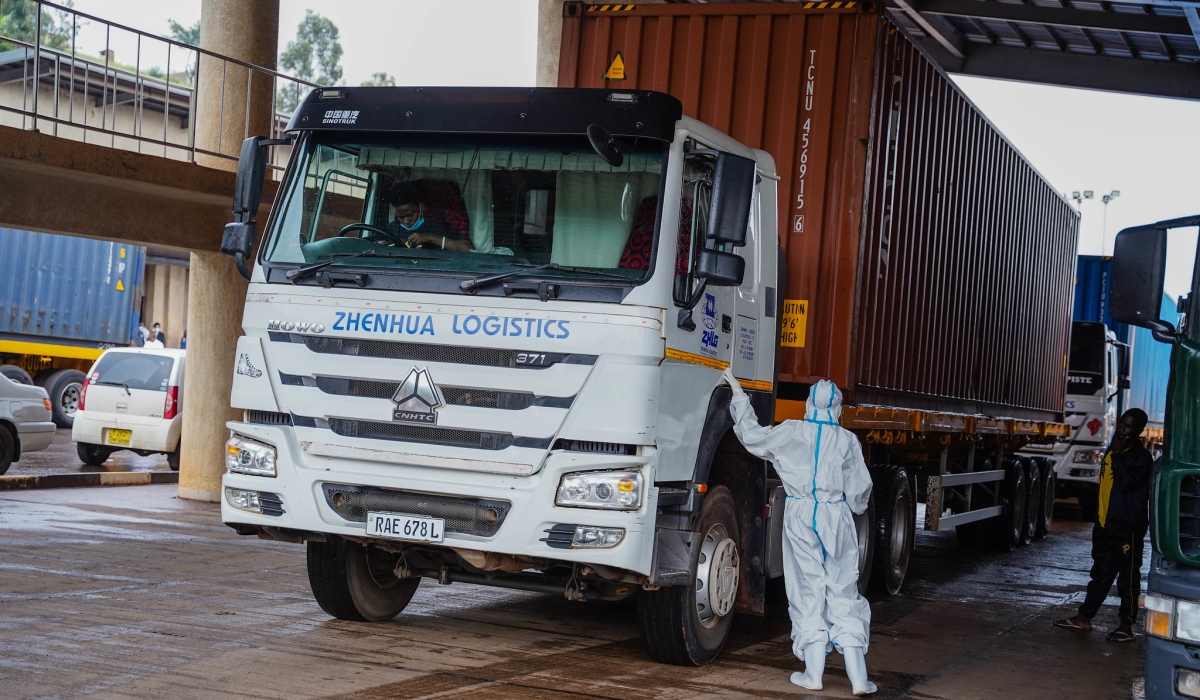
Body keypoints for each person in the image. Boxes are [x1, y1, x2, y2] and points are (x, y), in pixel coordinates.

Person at [723, 368, 877, 695]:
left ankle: (813, 675)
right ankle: (860, 681)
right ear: (837, 409)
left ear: (808, 405)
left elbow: (751, 436)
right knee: (843, 590)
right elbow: (861, 494)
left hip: (800, 515)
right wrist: (851, 503)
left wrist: (738, 396)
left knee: (807, 590)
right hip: (836, 518)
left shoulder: (792, 432)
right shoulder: (848, 442)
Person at [1055, 408, 1154, 642]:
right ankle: (1084, 618)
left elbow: (1126, 483)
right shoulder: (1112, 450)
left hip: (1127, 528)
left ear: (1138, 431)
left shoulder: (1140, 457)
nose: (1123, 429)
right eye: (1122, 424)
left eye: (1129, 427)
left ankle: (1126, 627)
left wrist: (1118, 455)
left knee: (1128, 579)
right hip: (1105, 526)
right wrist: (1099, 522)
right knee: (1100, 574)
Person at [385, 184, 472, 252]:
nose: (406, 221)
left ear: (421, 207)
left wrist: (431, 238)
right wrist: (383, 244)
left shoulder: (439, 227)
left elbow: (469, 249)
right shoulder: (391, 229)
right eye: (400, 217)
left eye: (410, 215)